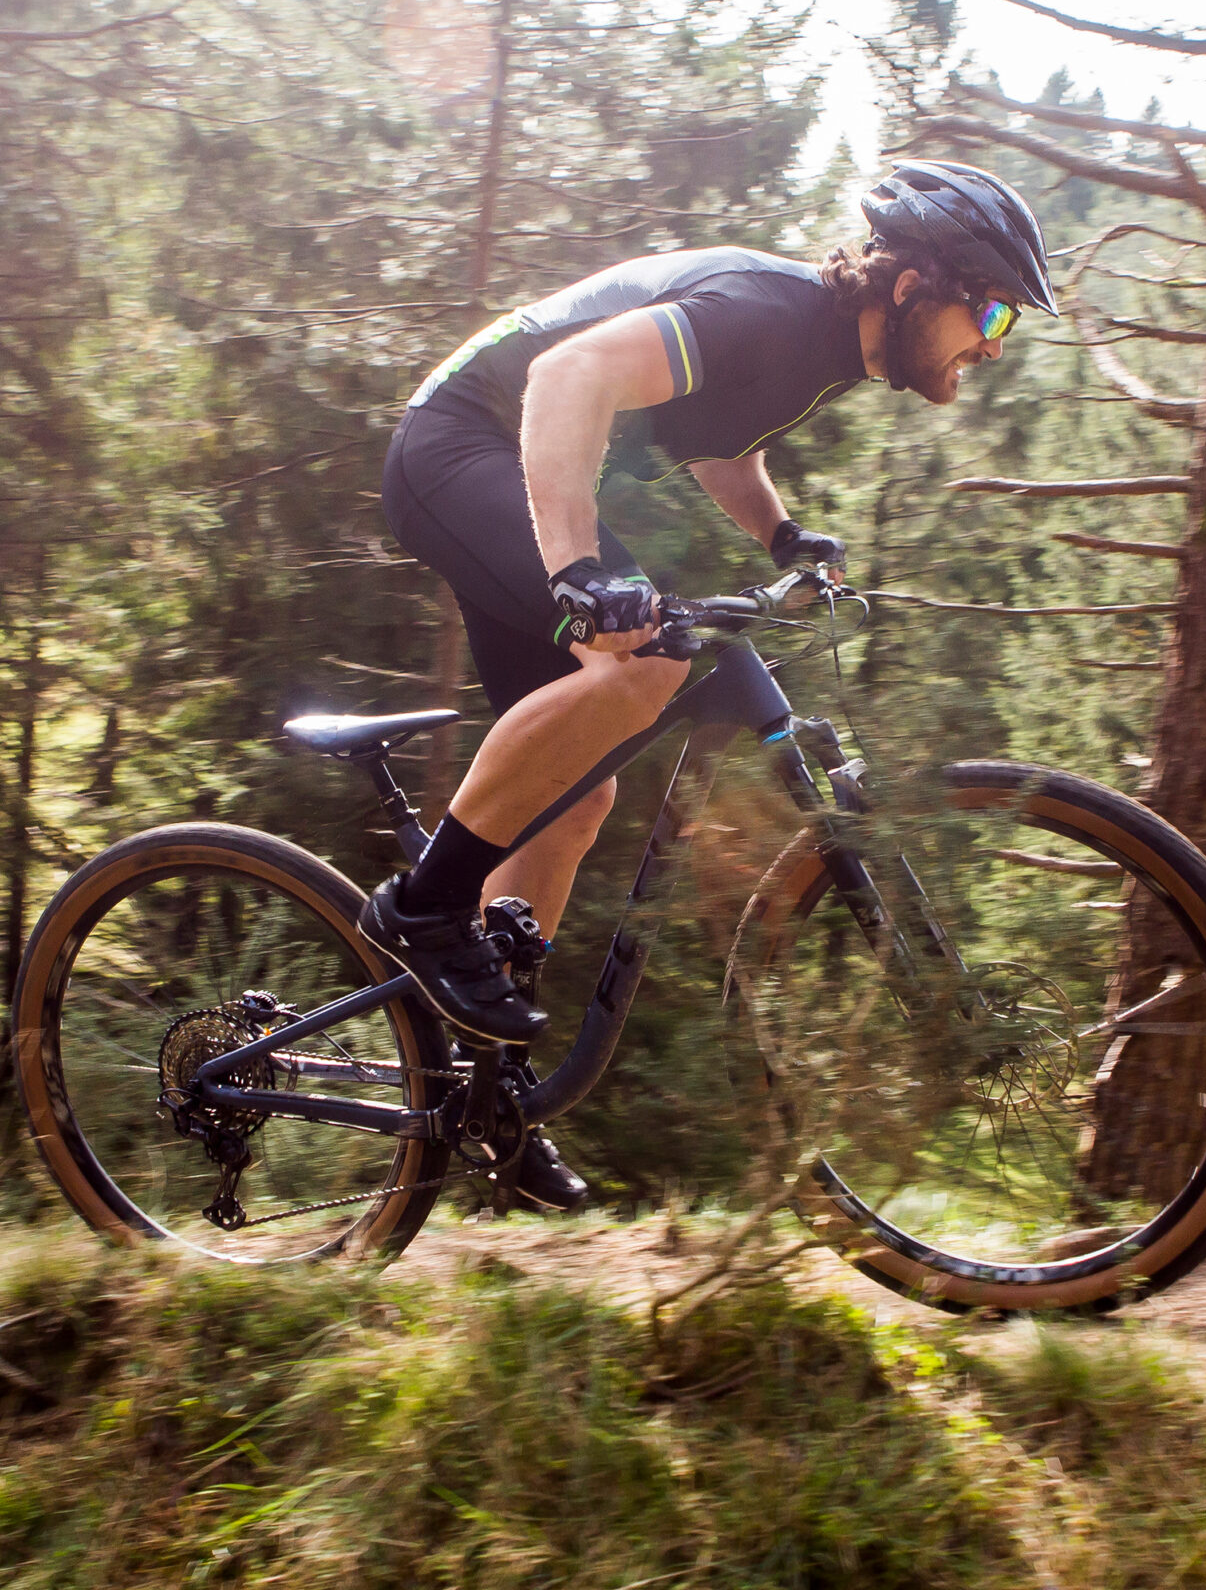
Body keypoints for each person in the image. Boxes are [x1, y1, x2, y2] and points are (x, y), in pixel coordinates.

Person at [364, 160, 1057, 1210]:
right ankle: (425, 906)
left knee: (575, 790)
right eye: (992, 308)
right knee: (649, 660)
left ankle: (488, 1105)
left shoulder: (823, 352)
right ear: (915, 283)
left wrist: (779, 533)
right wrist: (576, 573)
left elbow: (718, 445)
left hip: (522, 468)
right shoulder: (768, 312)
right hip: (461, 447)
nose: (994, 344)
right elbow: (565, 380)